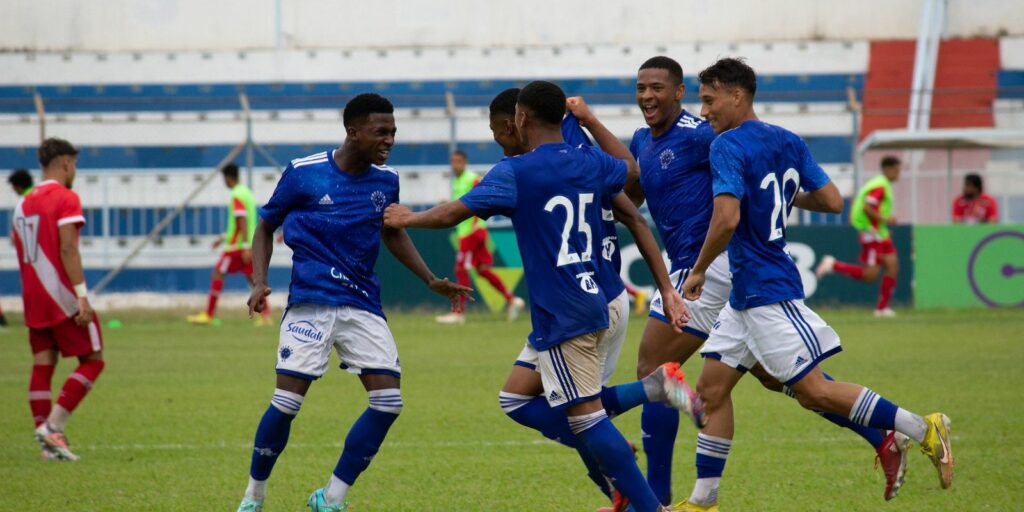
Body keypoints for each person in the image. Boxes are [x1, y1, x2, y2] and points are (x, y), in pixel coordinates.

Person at [384, 81, 694, 512]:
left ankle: (647, 504)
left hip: (565, 311)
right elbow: (631, 175)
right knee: (515, 397)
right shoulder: (589, 162)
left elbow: (453, 213)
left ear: (521, 119)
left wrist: (406, 217)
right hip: (592, 295)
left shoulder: (516, 172)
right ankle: (651, 393)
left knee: (585, 419)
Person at [676, 58, 953, 511]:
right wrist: (780, 197)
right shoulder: (788, 140)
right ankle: (703, 502)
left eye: (708, 100)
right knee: (711, 390)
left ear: (736, 96)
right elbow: (829, 200)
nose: (704, 111)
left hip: (767, 289)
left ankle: (923, 428)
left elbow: (726, 219)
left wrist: (701, 268)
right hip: (746, 296)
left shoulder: (725, 145)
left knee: (815, 391)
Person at [234, 93, 471, 512]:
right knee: (287, 403)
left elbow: (392, 231)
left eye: (393, 132)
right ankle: (254, 495)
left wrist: (430, 278)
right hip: (312, 302)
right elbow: (265, 223)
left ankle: (330, 498)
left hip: (362, 303)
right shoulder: (304, 174)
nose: (389, 140)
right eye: (381, 132)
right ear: (353, 132)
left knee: (388, 402)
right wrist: (258, 281)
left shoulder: (386, 180)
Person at [11, 138, 104, 462]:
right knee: (94, 358)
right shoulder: (66, 198)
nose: (74, 170)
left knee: (43, 364)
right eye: (74, 164)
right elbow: (68, 248)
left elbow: (21, 248)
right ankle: (53, 425)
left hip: (33, 297)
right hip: (62, 295)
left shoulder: (22, 204)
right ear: (65, 163)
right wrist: (81, 295)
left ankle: (47, 445)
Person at [436, 149, 525, 324]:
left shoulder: (471, 178)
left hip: (472, 233)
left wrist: (476, 227)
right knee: (483, 270)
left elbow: (480, 201)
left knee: (461, 269)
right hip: (468, 232)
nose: (455, 165)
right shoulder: (458, 181)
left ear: (465, 162)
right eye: (453, 161)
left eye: (458, 161)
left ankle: (458, 313)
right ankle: (512, 300)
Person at [815, 155, 902, 317]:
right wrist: (885, 219)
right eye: (896, 170)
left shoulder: (881, 184)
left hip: (881, 233)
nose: (898, 174)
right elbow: (868, 207)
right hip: (872, 233)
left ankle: (882, 308)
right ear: (888, 169)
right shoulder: (880, 186)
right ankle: (833, 265)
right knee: (870, 274)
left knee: (892, 265)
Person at [187, 163, 272, 326]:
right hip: (243, 245)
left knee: (218, 273)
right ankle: (266, 315)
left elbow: (242, 221)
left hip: (236, 248)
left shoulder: (236, 195)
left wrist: (246, 245)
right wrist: (223, 237)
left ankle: (209, 315)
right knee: (255, 280)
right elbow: (240, 223)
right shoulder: (246, 192)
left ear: (227, 177)